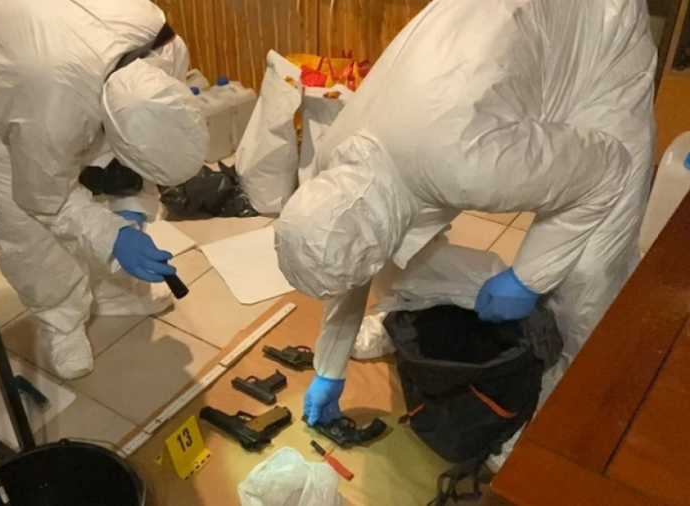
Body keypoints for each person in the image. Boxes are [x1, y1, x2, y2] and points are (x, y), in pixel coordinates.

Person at [275, 0, 656, 428]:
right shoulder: (336, 159)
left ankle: (551, 420)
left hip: (599, 36)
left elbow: (606, 169)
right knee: (394, 256)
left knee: (588, 275)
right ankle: (409, 315)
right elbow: (347, 251)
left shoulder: (466, 165)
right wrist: (329, 367)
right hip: (502, 54)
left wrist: (529, 278)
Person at [0, 0, 208, 379]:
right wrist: (113, 237)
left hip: (32, 46)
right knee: (16, 204)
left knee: (94, 166)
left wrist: (132, 203)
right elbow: (44, 200)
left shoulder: (165, 47)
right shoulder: (50, 114)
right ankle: (60, 322)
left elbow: (135, 144)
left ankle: (109, 287)